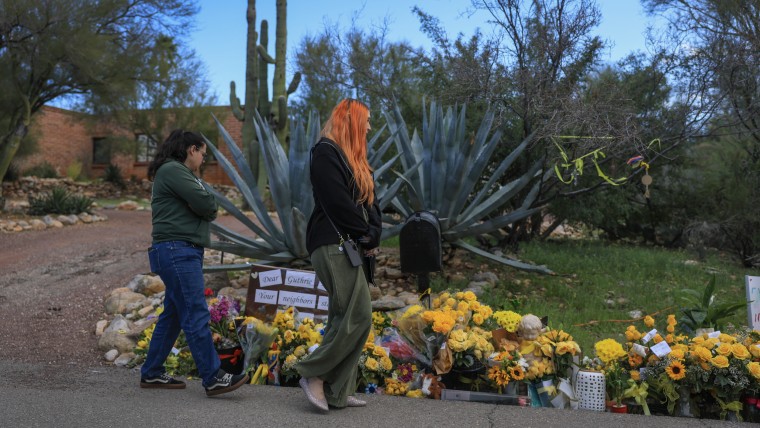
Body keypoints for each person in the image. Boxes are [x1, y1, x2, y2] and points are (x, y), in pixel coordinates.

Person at [140, 129, 249, 396]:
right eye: (203, 152)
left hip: (178, 250)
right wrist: (202, 203)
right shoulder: (173, 171)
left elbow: (205, 205)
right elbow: (207, 205)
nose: (203, 158)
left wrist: (202, 203)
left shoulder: (180, 173)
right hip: (178, 250)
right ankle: (213, 377)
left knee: (175, 314)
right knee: (195, 311)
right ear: (192, 149)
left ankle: (152, 373)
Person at [296, 99, 382, 411]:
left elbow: (371, 200)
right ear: (351, 120)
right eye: (366, 120)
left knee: (340, 318)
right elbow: (338, 204)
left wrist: (373, 232)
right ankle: (314, 374)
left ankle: (337, 391)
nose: (370, 127)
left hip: (348, 244)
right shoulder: (325, 152)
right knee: (358, 315)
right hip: (333, 243)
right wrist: (363, 233)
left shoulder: (350, 157)